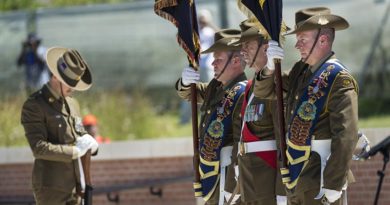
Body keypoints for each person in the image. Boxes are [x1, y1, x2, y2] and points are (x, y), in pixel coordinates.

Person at [257, 7, 358, 205]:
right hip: (296, 178)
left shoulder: (338, 79)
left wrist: (334, 183)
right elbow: (264, 91)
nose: (297, 45)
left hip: (320, 179)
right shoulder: (300, 72)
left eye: (303, 39)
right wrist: (269, 67)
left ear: (323, 40)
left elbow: (345, 135)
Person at [176, 29, 247, 205]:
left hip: (226, 177)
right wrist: (185, 82)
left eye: (219, 59)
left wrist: (233, 185)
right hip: (210, 173)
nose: (213, 64)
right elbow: (188, 93)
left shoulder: (244, 92)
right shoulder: (215, 88)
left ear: (236, 61)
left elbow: (240, 144)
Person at [21, 47, 98, 205]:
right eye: (70, 84)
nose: (73, 89)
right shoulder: (35, 105)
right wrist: (75, 151)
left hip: (76, 187)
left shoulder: (72, 103)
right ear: (56, 76)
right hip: (51, 188)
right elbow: (38, 147)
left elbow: (79, 135)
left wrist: (91, 143)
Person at [234, 19, 286, 205]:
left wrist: (282, 190)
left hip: (268, 179)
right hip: (250, 176)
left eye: (248, 45)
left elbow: (283, 142)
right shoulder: (251, 86)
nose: (242, 51)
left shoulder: (275, 87)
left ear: (266, 48)